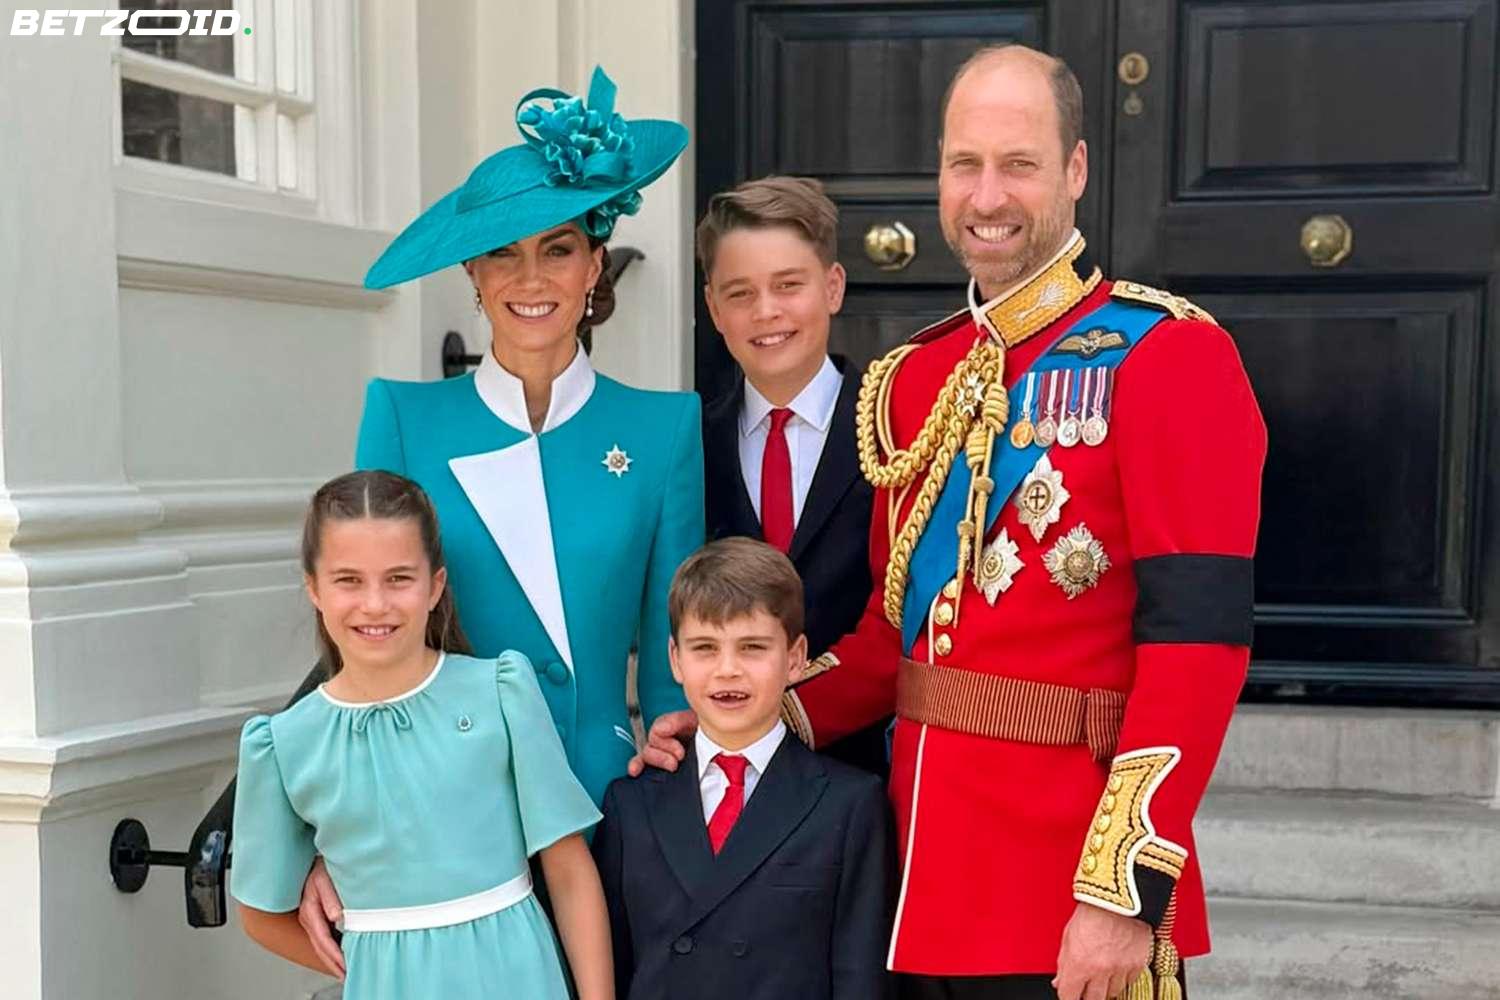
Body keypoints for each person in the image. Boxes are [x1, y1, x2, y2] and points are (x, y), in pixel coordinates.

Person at [640, 45, 1267, 1000]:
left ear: (1076, 171)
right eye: (964, 164)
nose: (988, 195)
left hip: (1064, 890)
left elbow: (1199, 648)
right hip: (912, 887)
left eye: (1018, 164)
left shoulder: (1168, 357)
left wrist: (1123, 888)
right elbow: (895, 644)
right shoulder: (915, 380)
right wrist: (751, 715)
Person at [278, 65, 702, 978]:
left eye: (556, 249)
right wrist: (326, 828)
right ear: (472, 274)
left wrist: (674, 764)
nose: (530, 278)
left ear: (595, 264)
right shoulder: (403, 417)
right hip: (435, 821)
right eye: (503, 254)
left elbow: (677, 642)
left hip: (610, 810)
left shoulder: (664, 430)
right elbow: (365, 624)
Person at [231, 471, 611, 999]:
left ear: (434, 586)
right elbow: (259, 914)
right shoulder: (285, 743)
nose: (375, 604)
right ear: (314, 589)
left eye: (398, 579)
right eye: (348, 580)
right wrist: (367, 965)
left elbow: (568, 871)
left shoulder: (498, 693)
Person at [595, 537, 893, 999]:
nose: (728, 669)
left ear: (795, 659)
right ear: (675, 659)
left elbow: (861, 979)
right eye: (705, 648)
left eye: (753, 647)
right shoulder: (630, 804)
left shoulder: (849, 804)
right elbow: (617, 963)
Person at [695, 176, 886, 775]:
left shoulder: (897, 428)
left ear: (832, 287)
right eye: (740, 293)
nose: (766, 312)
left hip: (867, 767)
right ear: (713, 309)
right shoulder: (692, 444)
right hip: (726, 771)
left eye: (788, 285)